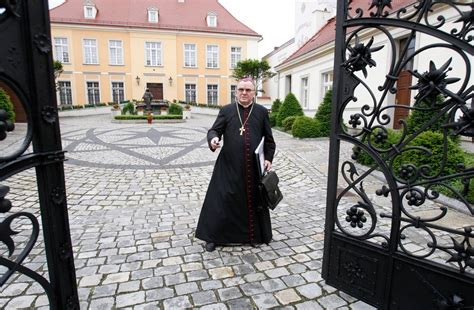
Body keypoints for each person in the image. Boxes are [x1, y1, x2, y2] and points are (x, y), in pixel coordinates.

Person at [195, 77, 276, 252]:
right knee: (221, 201)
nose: (244, 93)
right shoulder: (227, 110)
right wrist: (213, 139)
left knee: (252, 202)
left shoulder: (261, 112)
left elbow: (269, 140)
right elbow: (214, 130)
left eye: (248, 90)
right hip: (228, 165)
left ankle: (254, 236)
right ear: (236, 91)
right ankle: (213, 237)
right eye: (241, 90)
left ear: (254, 93)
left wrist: (268, 158)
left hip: (253, 167)